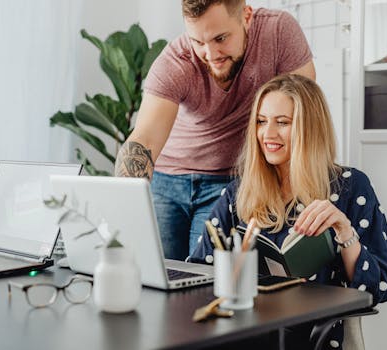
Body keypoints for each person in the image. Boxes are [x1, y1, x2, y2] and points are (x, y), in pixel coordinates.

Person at [189, 74, 387, 349]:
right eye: (261, 122)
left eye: (283, 123)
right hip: (242, 332)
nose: (267, 134)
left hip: (312, 337)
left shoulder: (351, 187)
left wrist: (345, 232)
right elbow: (198, 270)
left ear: (310, 128)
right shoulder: (240, 191)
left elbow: (379, 288)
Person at [115, 0, 315, 260]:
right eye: (198, 42)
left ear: (246, 15)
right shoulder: (176, 62)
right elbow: (144, 141)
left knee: (209, 278)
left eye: (220, 38)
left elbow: (306, 113)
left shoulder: (278, 32)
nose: (210, 54)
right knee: (160, 275)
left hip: (228, 181)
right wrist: (122, 208)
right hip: (166, 180)